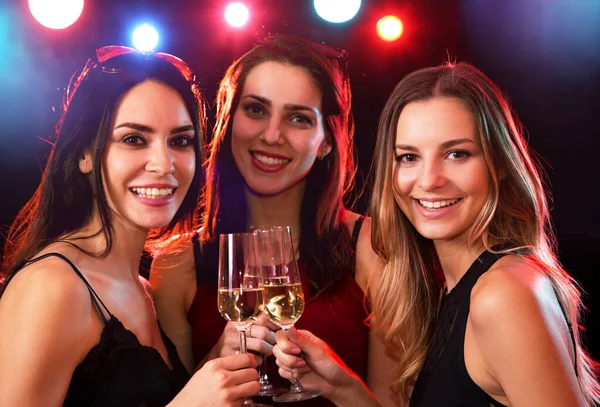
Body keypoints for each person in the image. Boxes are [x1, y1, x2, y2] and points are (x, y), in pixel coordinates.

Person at [273, 61, 600, 406]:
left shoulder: (503, 295)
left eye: (457, 154)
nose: (429, 180)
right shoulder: (456, 288)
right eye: (409, 157)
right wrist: (344, 388)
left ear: (500, 164)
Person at [0, 46, 260, 407]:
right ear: (84, 154)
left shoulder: (140, 286)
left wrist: (217, 362)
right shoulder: (53, 286)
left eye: (180, 141)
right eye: (134, 139)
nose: (164, 163)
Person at [150, 34, 397, 406]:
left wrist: (340, 384)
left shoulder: (373, 244)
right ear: (229, 120)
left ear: (327, 139)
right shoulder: (178, 261)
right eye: (256, 110)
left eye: (298, 118)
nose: (271, 135)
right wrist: (216, 359)